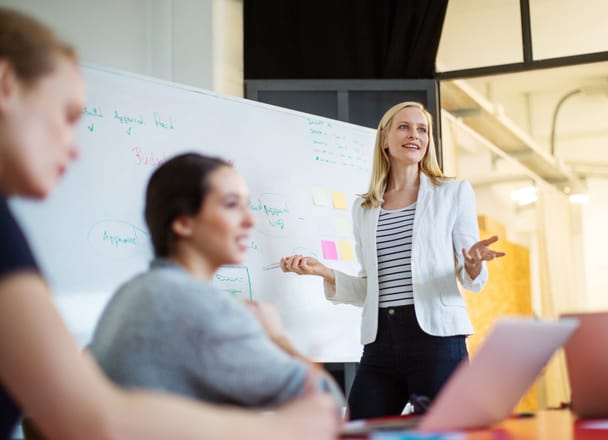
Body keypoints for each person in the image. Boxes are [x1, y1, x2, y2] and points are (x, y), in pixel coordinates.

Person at [0, 7, 338, 439]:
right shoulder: (195, 304)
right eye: (67, 116)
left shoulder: (133, 293)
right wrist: (274, 338)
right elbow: (325, 402)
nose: (75, 147)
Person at [281, 101, 506, 419]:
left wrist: (473, 264)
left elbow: (472, 278)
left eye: (422, 129)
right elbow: (369, 290)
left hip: (437, 340)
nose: (415, 135)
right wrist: (326, 273)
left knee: (446, 432)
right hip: (381, 340)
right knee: (357, 430)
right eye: (404, 127)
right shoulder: (365, 208)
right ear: (385, 138)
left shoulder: (452, 193)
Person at [89, 153, 345, 412]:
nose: (251, 220)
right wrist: (276, 338)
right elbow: (327, 403)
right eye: (231, 205)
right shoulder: (203, 307)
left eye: (247, 205)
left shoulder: (128, 295)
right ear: (183, 222)